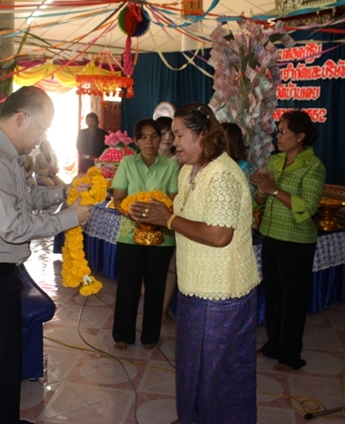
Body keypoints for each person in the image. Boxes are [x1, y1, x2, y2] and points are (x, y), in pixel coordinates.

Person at [0, 86, 91, 424]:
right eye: (43, 128)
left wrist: (66, 192)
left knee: (7, 361)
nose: (42, 138)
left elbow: (27, 201)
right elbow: (12, 227)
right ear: (21, 118)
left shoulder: (8, 157)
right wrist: (69, 218)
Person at [131, 103, 260, 423]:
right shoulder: (187, 170)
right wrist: (158, 214)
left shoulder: (222, 175)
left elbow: (219, 235)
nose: (172, 141)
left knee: (218, 371)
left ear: (202, 135)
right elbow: (185, 216)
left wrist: (168, 219)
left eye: (178, 135)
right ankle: (191, 416)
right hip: (193, 287)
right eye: (172, 135)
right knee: (191, 364)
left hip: (223, 292)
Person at [250, 110, 326, 373]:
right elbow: (259, 201)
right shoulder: (275, 161)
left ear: (301, 136)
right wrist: (262, 191)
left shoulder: (313, 166)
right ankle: (274, 345)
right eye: (278, 131)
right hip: (271, 236)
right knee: (273, 296)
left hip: (296, 242)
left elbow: (308, 207)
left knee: (292, 300)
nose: (278, 136)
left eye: (283, 132)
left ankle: (291, 355)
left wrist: (274, 190)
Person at [111, 118, 179, 352]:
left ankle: (150, 336)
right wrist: (132, 212)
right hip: (129, 234)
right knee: (128, 286)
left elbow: (173, 200)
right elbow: (118, 198)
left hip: (162, 237)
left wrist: (156, 215)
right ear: (136, 141)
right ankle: (123, 334)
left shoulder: (171, 166)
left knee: (155, 287)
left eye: (154, 136)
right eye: (143, 137)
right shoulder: (127, 163)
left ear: (160, 139)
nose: (149, 141)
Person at [155, 116, 179, 325]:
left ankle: (162, 310)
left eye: (171, 134)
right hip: (147, 220)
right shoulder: (145, 160)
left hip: (172, 220)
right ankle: (152, 306)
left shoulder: (180, 161)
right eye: (163, 133)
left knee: (171, 267)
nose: (167, 138)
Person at [223, 122, 256, 196]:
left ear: (232, 142)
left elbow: (249, 194)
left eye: (223, 140)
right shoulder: (214, 163)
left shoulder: (244, 167)